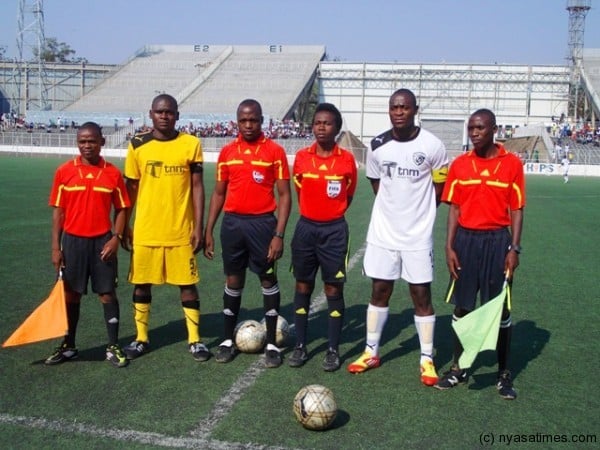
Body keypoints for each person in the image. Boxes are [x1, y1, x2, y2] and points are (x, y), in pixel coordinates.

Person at [347, 88, 449, 387]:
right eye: (394, 107)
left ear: (415, 109)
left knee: (421, 295)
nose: (399, 112)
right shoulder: (377, 145)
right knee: (380, 291)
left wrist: (418, 213)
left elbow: (440, 189)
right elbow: (377, 184)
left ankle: (427, 359)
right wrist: (394, 212)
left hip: (417, 236)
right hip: (383, 234)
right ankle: (371, 352)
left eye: (404, 107)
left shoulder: (433, 145)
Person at [434, 108, 525, 400]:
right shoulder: (460, 165)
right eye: (471, 128)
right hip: (466, 242)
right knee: (462, 307)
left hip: (498, 242)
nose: (474, 133)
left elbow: (517, 209)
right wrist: (449, 246)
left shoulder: (512, 164)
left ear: (494, 130)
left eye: (480, 128)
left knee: (500, 310)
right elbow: (454, 209)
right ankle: (458, 367)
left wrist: (515, 247)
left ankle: (503, 373)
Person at [204, 99, 291, 368]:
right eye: (243, 120)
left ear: (262, 120)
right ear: (237, 122)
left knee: (267, 279)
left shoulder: (274, 151)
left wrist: (278, 234)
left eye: (253, 120)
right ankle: (228, 340)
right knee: (233, 280)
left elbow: (285, 195)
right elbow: (218, 193)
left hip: (263, 225)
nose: (249, 124)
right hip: (232, 225)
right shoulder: (228, 152)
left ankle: (273, 344)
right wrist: (209, 229)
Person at [122, 94, 210, 362]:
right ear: (151, 114)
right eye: (160, 112)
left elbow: (197, 187)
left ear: (177, 115)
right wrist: (124, 224)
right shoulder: (137, 145)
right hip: (146, 230)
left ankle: (195, 340)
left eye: (169, 112)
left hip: (181, 231)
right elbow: (131, 188)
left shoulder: (190, 144)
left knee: (187, 285)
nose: (164, 116)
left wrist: (198, 226)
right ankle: (141, 338)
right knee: (141, 285)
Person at [46, 121, 130, 368]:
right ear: (77, 143)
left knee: (106, 294)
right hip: (73, 243)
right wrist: (55, 248)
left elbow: (122, 209)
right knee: (71, 295)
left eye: (92, 141)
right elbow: (58, 214)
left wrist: (116, 237)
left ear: (101, 142)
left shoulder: (112, 173)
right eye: (82, 141)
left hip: (102, 242)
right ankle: (69, 345)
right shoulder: (64, 172)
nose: (87, 146)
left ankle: (113, 345)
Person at [287, 103, 357, 372]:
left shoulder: (346, 160)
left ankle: (332, 349)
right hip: (306, 229)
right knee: (303, 286)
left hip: (334, 232)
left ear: (337, 128)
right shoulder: (303, 157)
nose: (321, 127)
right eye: (317, 122)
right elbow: (299, 189)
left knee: (333, 289)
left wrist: (331, 214)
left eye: (327, 123)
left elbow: (347, 195)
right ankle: (301, 345)